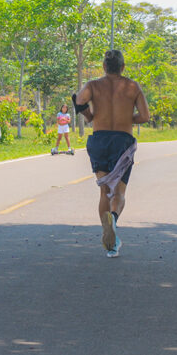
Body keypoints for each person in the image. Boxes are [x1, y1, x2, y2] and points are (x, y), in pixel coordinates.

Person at [73, 49, 150, 258]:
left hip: (99, 140)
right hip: (122, 142)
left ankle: (109, 237)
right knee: (119, 193)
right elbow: (145, 116)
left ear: (104, 67)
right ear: (123, 67)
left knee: (104, 191)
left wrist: (90, 116)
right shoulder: (132, 86)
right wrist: (127, 119)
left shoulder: (93, 85)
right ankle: (113, 221)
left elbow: (78, 101)